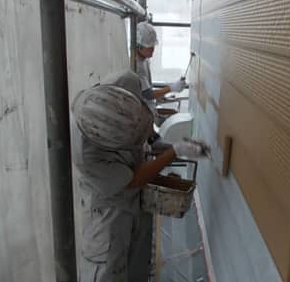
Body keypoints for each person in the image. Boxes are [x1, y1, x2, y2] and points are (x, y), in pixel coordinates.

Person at [71, 70, 207, 282]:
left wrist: (154, 139)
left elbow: (142, 104)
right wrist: (174, 152)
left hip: (135, 200)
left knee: (139, 260)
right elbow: (133, 180)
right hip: (111, 207)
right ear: (110, 145)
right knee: (109, 269)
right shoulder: (87, 156)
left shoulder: (123, 83)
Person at [135, 21, 186, 104]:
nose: (152, 50)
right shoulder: (136, 65)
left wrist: (159, 95)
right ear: (139, 46)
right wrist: (172, 88)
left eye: (153, 46)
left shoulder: (144, 58)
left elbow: (147, 89)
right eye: (149, 47)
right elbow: (147, 94)